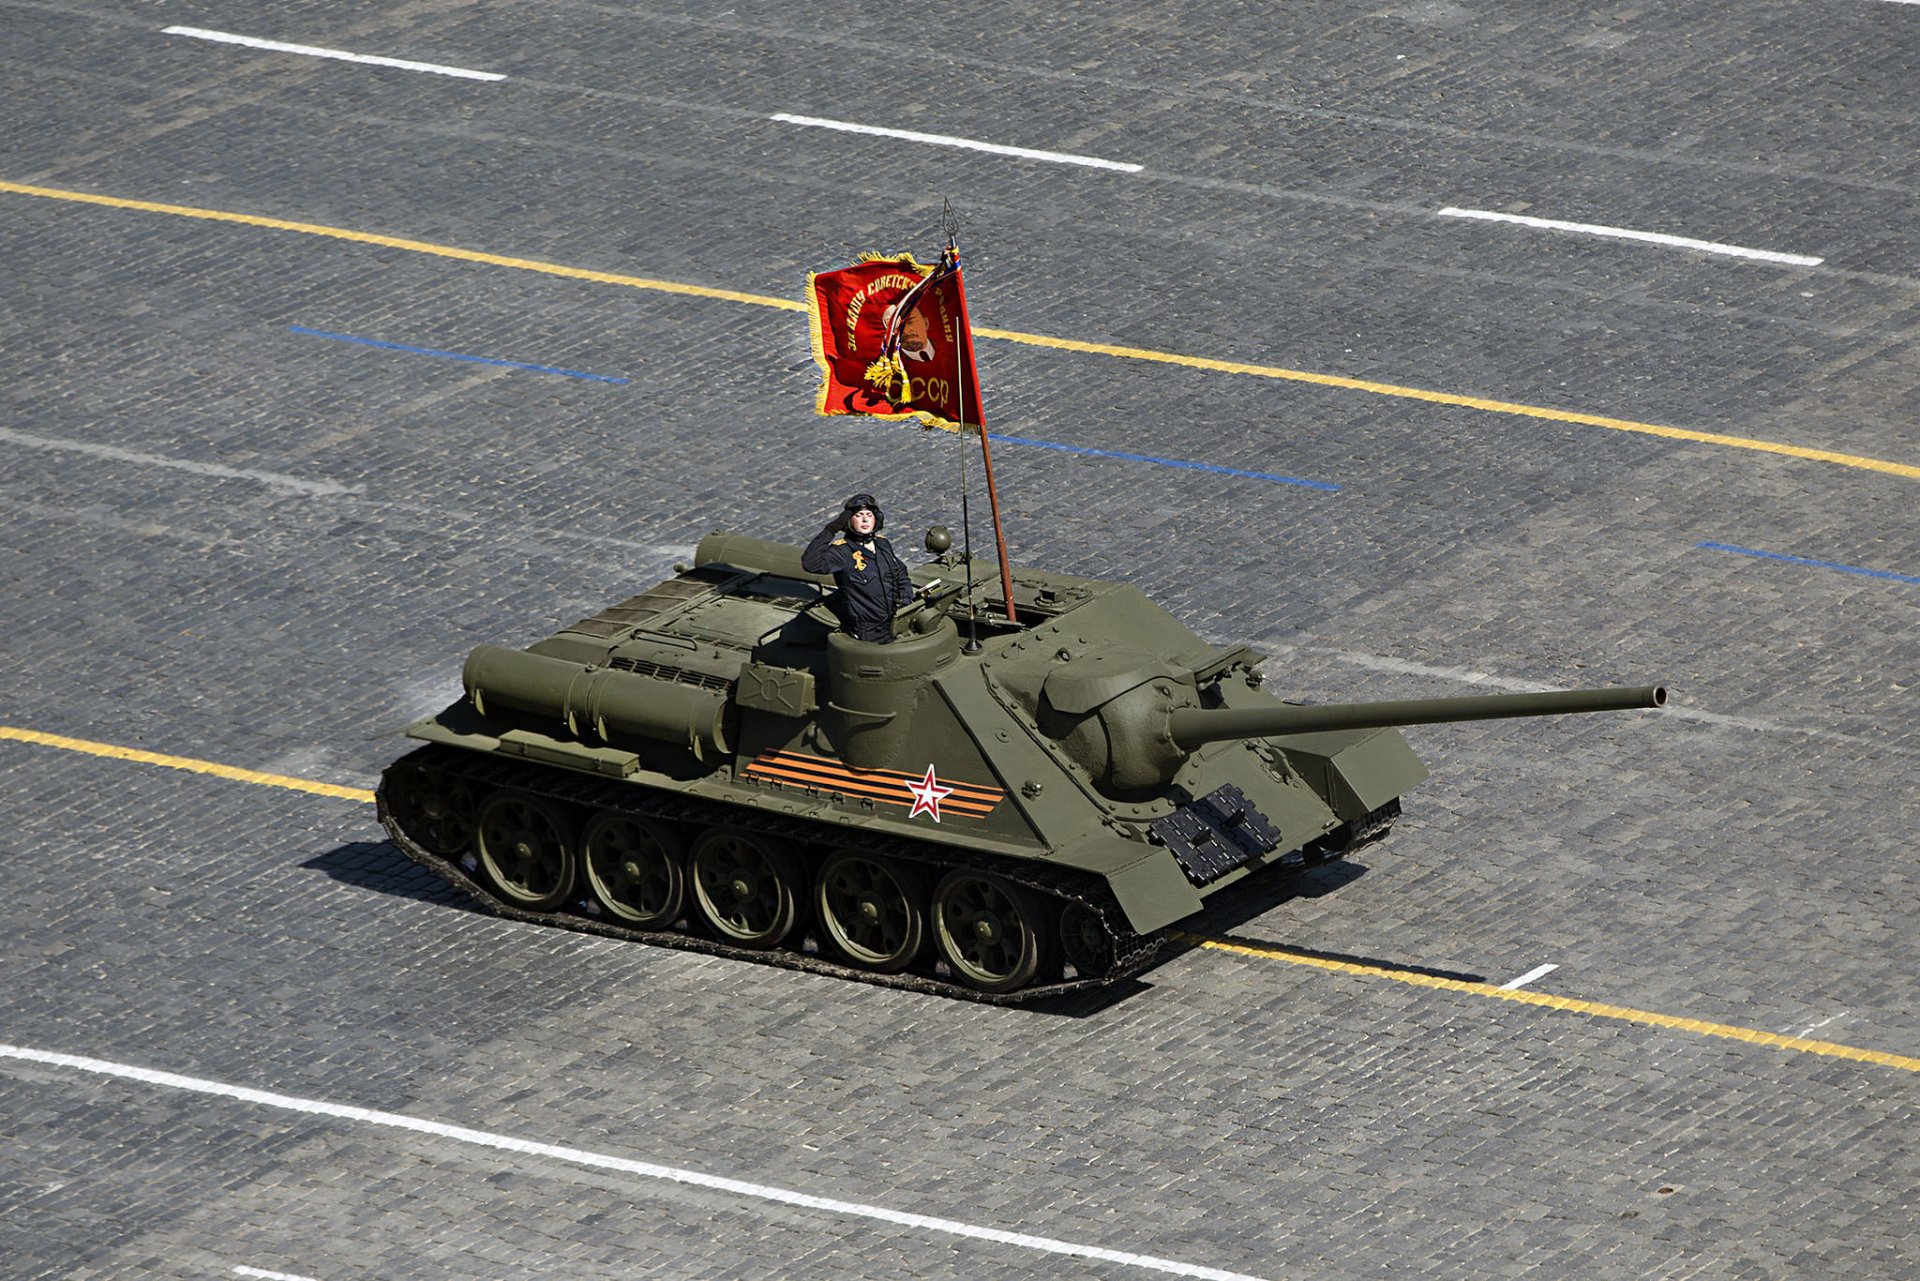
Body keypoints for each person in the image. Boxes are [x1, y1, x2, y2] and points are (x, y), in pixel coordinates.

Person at [802, 493, 915, 643]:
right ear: (848, 520)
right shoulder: (842, 552)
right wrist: (831, 529)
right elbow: (811, 563)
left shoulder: (882, 544)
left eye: (869, 514)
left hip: (896, 621)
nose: (865, 519)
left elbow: (900, 572)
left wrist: (906, 601)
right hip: (868, 631)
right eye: (859, 515)